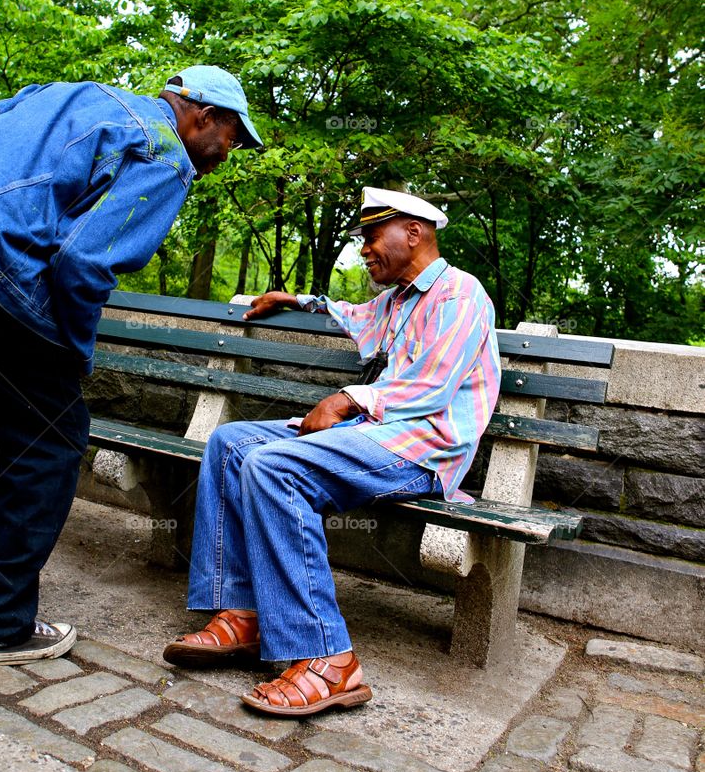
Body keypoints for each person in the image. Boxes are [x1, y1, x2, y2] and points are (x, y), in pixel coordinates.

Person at [0, 66, 262, 669]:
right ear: (201, 115)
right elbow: (84, 263)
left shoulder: (73, 94)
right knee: (51, 444)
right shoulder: (166, 153)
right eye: (232, 136)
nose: (230, 152)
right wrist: (72, 353)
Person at [163, 187, 501, 717]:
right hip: (374, 439)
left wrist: (347, 398)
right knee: (231, 444)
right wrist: (295, 300)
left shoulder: (460, 296)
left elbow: (431, 388)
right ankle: (246, 613)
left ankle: (327, 658)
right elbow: (351, 314)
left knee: (274, 467)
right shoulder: (395, 301)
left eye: (371, 236)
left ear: (412, 232)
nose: (363, 248)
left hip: (423, 452)